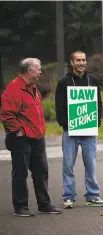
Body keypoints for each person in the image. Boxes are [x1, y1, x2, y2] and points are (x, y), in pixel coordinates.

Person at [0, 58, 62, 217]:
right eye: (38, 69)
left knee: (41, 171)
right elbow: (6, 114)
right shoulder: (14, 88)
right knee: (20, 173)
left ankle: (44, 204)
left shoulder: (33, 87)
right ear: (30, 71)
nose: (41, 71)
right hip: (22, 138)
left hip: (37, 137)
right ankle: (20, 207)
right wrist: (18, 131)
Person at [55, 51, 103, 209]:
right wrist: (65, 124)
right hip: (70, 131)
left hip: (89, 130)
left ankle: (92, 196)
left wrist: (97, 121)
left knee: (91, 164)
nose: (81, 63)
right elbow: (59, 105)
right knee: (68, 165)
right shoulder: (64, 81)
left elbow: (98, 102)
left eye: (83, 60)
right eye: (78, 60)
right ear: (72, 62)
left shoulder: (93, 79)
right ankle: (68, 197)